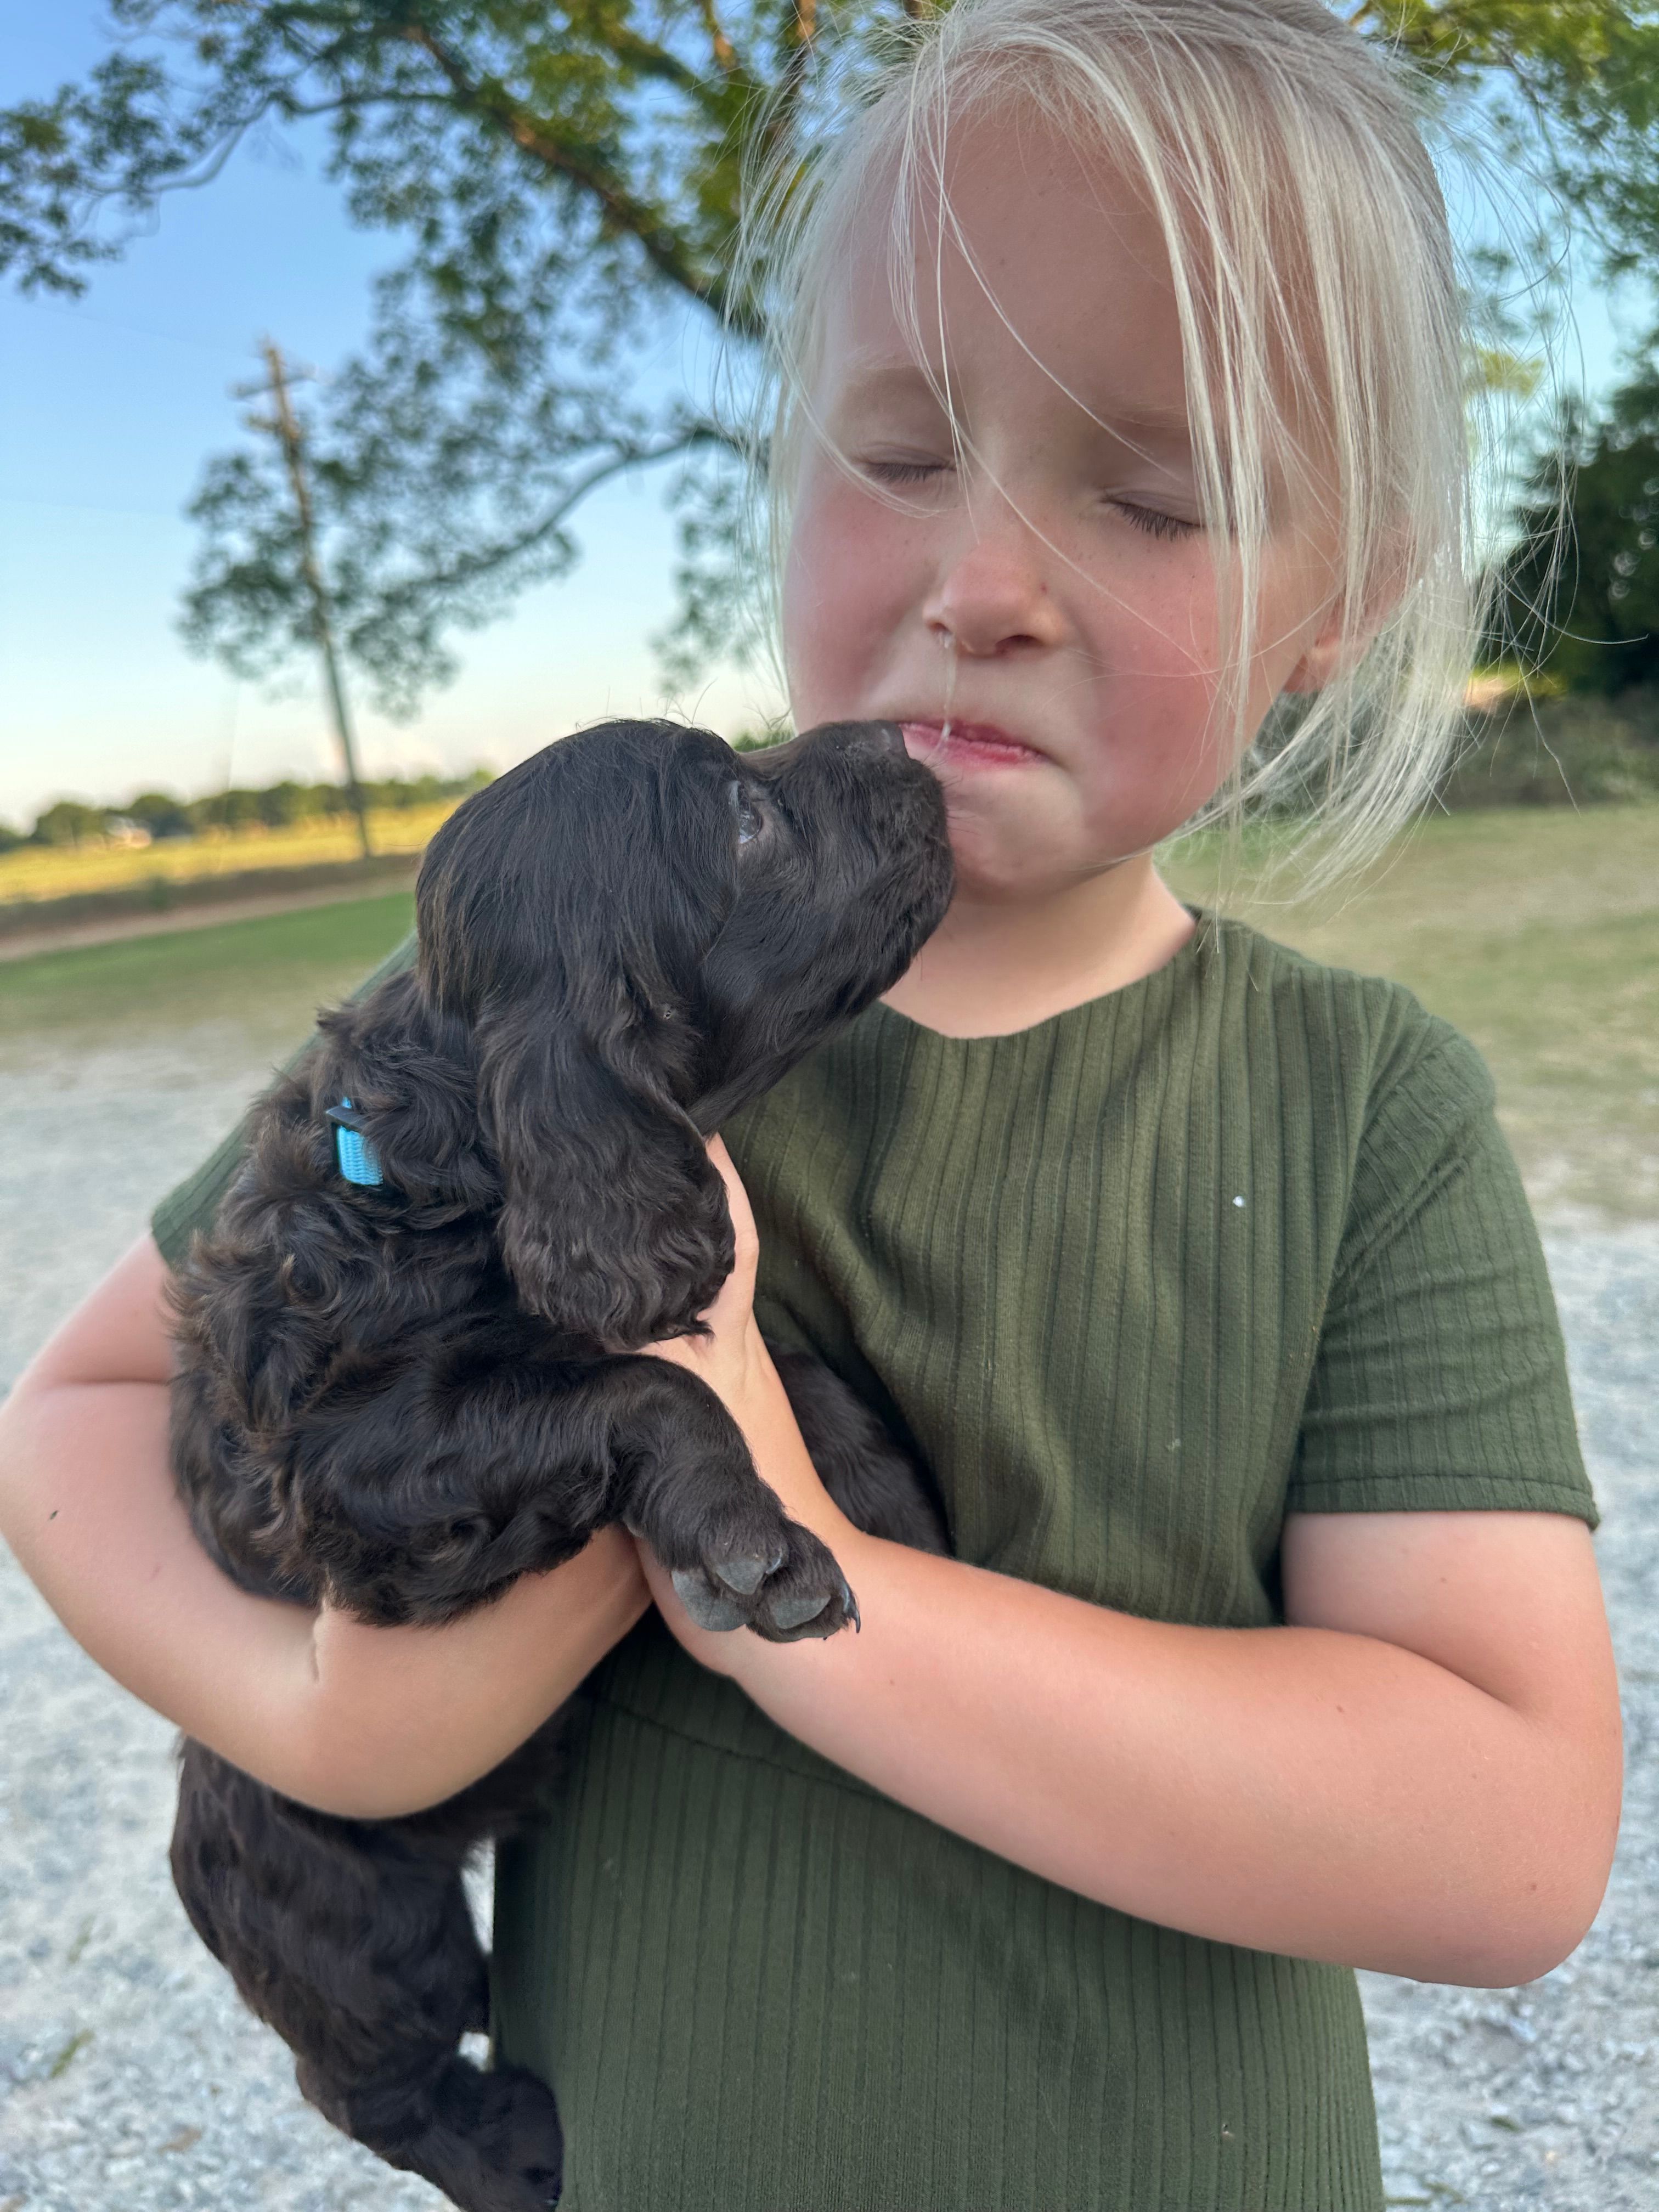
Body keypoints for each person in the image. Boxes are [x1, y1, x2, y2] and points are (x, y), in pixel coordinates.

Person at [0, 3, 1623, 2208]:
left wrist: (812, 1580)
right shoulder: (537, 992)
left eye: (1152, 496)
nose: (983, 589)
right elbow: (82, 1405)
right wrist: (329, 1722)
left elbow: (1507, 1841)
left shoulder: (1360, 1110)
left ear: (1340, 602)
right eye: (899, 453)